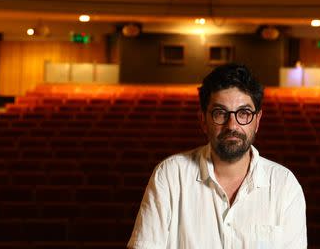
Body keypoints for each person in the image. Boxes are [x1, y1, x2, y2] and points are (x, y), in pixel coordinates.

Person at [128, 63, 307, 248]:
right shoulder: (170, 175)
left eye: (244, 113)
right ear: (203, 120)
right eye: (220, 113)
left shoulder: (285, 186)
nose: (232, 125)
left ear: (257, 121)